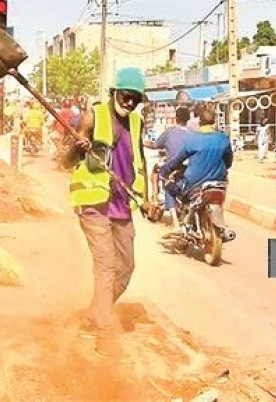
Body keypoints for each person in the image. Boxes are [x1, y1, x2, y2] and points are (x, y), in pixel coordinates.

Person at [61, 67, 149, 357]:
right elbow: (65, 162)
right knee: (107, 268)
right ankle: (101, 331)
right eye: (127, 96)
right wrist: (78, 147)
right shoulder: (92, 116)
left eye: (136, 99)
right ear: (114, 93)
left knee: (126, 267)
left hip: (122, 204)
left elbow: (141, 161)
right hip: (93, 203)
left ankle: (95, 312)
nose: (131, 103)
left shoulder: (137, 122)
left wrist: (148, 198)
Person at [160, 108, 233, 236]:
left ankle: (177, 225)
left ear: (199, 122)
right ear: (214, 122)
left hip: (194, 184)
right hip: (219, 182)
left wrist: (165, 170)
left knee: (169, 188)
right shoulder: (223, 139)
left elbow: (176, 160)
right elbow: (228, 162)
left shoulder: (192, 140)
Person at [143, 106, 190, 230]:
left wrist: (141, 142)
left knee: (156, 172)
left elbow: (155, 145)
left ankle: (155, 199)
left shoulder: (170, 132)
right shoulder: (193, 133)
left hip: (173, 169)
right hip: (190, 170)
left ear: (176, 118)